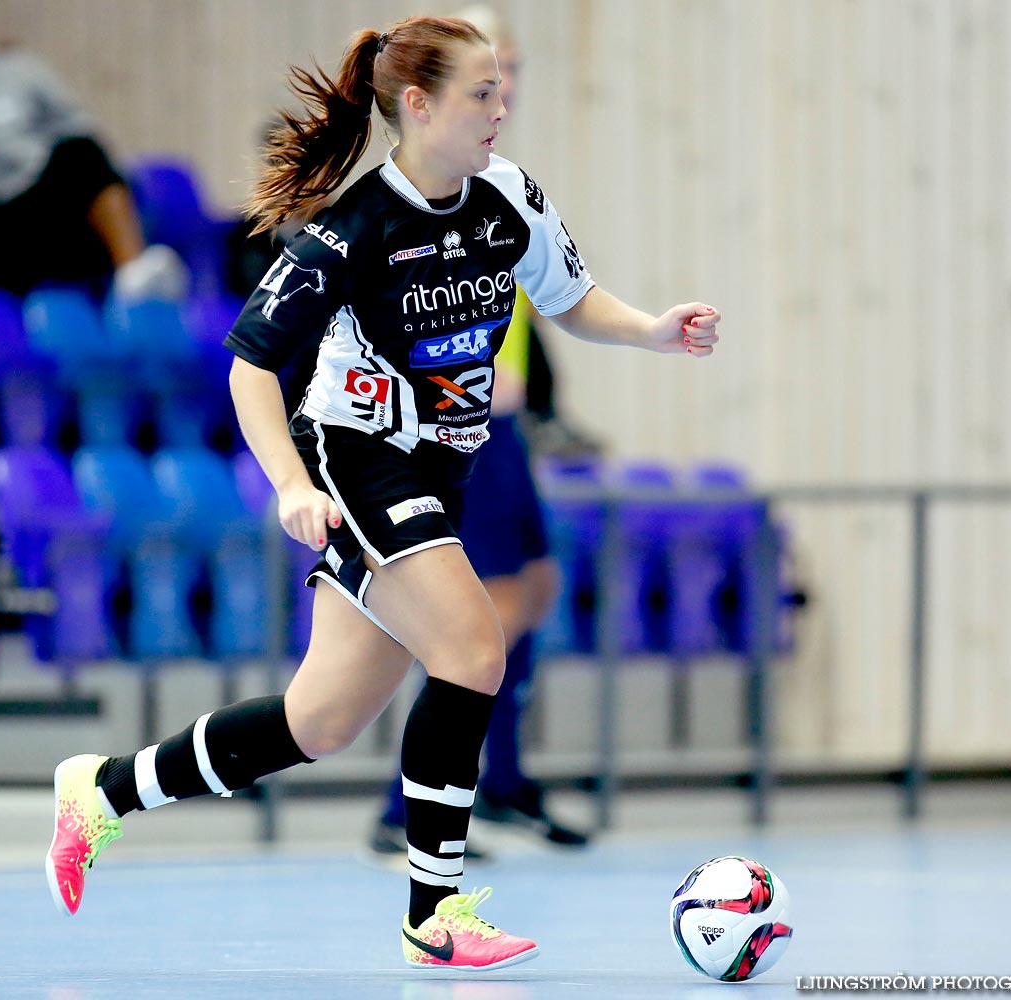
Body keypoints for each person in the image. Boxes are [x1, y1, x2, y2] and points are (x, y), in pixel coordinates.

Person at [44, 16, 720, 972]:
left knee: (318, 721)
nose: (500, 106)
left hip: (443, 468)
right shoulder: (349, 231)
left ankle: (103, 791)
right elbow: (249, 368)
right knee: (474, 644)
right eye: (480, 92)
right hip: (357, 457)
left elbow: (570, 299)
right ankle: (433, 910)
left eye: (500, 89)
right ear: (418, 104)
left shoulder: (509, 198)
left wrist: (650, 329)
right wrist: (289, 484)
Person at [369, 4, 588, 860]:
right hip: (459, 432)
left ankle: (500, 779)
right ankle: (409, 804)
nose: (508, 88)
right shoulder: (413, 189)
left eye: (514, 69)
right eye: (493, 69)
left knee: (530, 588)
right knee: (478, 619)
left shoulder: (498, 182)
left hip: (505, 426)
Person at [0, 0, 185, 300]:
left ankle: (133, 274)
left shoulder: (16, 69)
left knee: (82, 155)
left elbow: (78, 126)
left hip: (40, 200)